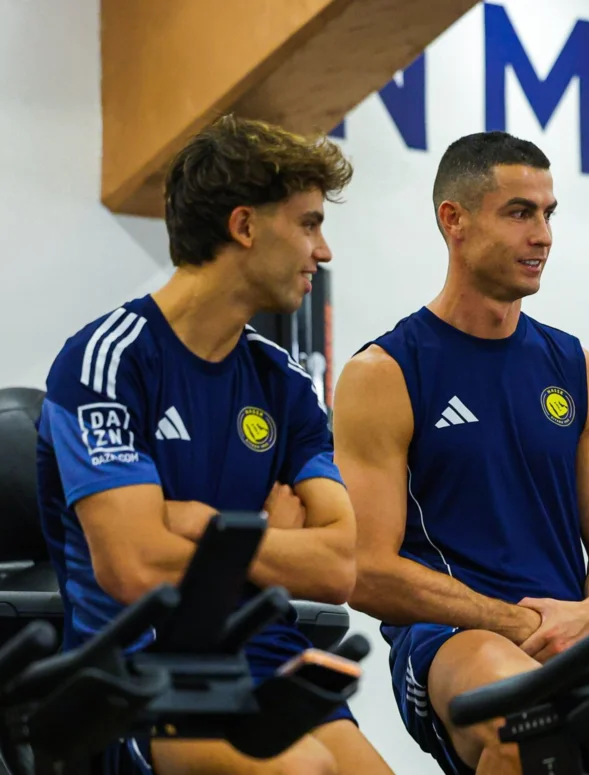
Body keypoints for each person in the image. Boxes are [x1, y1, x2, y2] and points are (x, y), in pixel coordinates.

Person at [35, 115, 394, 775]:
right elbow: (134, 569)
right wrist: (272, 537)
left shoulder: (282, 381)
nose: (325, 251)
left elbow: (341, 566)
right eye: (309, 223)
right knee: (300, 769)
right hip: (141, 675)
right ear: (245, 226)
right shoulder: (106, 361)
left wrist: (210, 527)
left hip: (265, 655)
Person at [333, 131, 589, 775]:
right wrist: (511, 621)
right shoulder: (384, 373)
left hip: (567, 634)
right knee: (521, 724)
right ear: (453, 220)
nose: (543, 234)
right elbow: (366, 570)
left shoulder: (579, 371)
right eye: (520, 212)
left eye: (549, 214)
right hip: (450, 640)